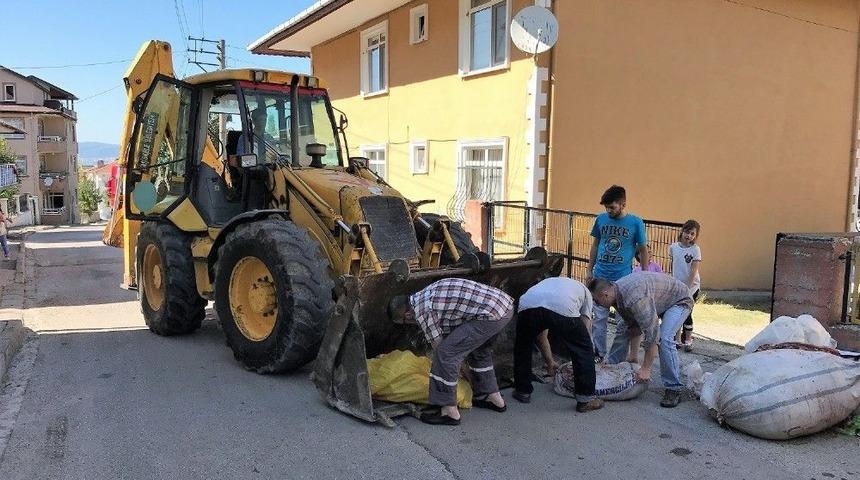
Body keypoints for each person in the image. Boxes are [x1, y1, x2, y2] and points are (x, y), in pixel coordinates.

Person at [388, 278, 514, 426]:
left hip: (490, 316)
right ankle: (494, 399)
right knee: (479, 350)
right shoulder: (424, 294)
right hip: (504, 307)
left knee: (444, 354)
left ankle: (449, 411)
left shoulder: (422, 312)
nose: (408, 325)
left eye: (404, 323)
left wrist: (460, 367)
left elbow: (440, 348)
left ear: (407, 315)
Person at [588, 272, 693, 408]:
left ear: (605, 294)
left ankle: (673, 388)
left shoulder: (635, 298)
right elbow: (633, 325)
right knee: (623, 327)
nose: (597, 304)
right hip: (660, 299)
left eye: (596, 300)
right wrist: (633, 357)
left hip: (680, 301)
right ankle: (612, 366)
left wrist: (646, 368)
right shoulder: (617, 296)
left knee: (665, 338)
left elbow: (652, 334)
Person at [512, 276, 604, 412]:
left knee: (523, 346)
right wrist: (587, 353)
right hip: (563, 305)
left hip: (527, 305)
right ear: (593, 294)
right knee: (583, 349)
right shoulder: (586, 293)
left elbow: (541, 335)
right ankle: (586, 400)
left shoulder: (550, 284)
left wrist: (550, 362)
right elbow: (586, 328)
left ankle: (522, 391)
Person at [586, 185, 649, 362]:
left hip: (622, 278)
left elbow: (643, 250)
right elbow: (596, 245)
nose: (608, 211)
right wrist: (589, 269)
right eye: (606, 208)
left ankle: (617, 359)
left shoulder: (636, 223)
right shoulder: (601, 220)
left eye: (612, 207)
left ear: (623, 204)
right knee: (599, 318)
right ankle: (599, 353)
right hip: (600, 275)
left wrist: (644, 275)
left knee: (623, 321)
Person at [670, 220, 702, 352]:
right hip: (678, 285)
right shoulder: (673, 247)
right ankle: (677, 340)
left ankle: (688, 340)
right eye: (687, 232)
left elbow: (693, 271)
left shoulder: (695, 250)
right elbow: (674, 265)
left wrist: (687, 289)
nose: (689, 236)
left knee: (687, 312)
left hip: (691, 287)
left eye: (692, 234)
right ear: (682, 231)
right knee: (677, 312)